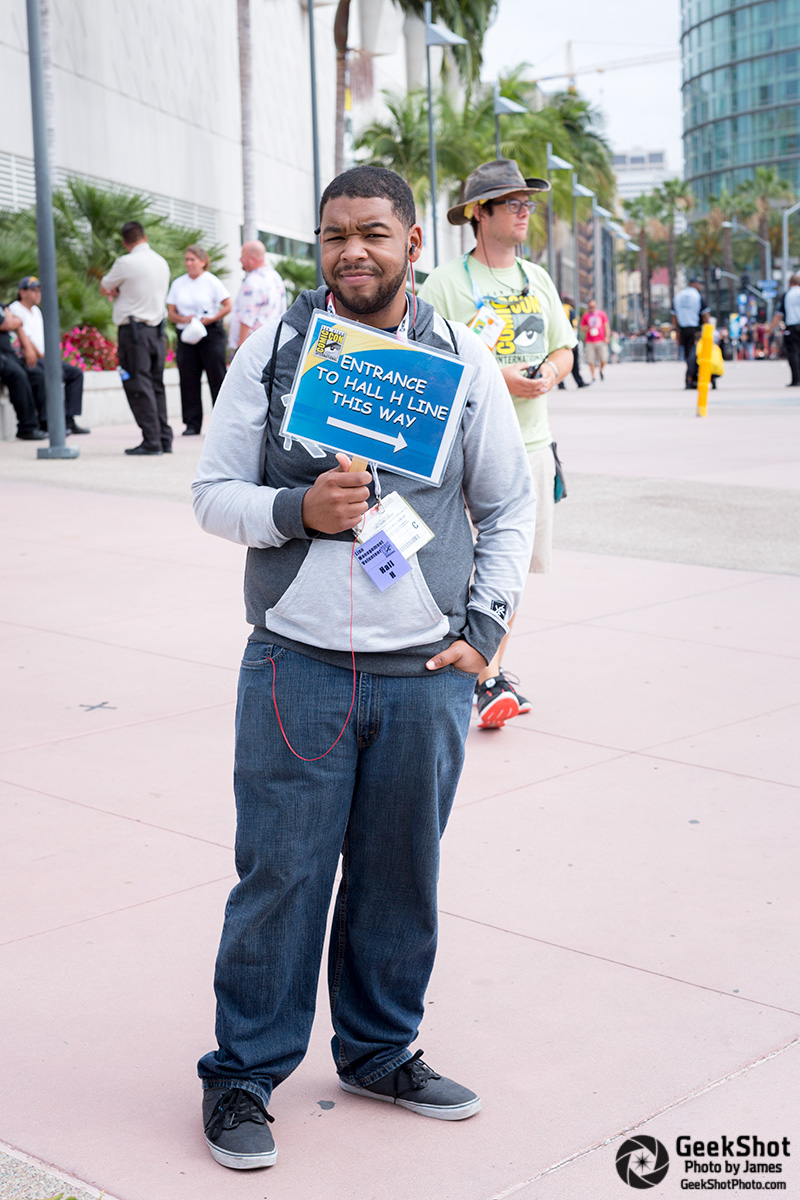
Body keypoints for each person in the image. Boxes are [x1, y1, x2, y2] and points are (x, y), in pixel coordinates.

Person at [192, 165, 534, 1170]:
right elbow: (212, 494)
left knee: (400, 876)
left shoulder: (462, 361)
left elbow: (508, 506)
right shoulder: (274, 351)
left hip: (425, 670)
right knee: (280, 877)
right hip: (296, 666)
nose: (353, 251)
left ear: (412, 242)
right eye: (335, 233)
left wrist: (486, 628)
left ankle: (379, 1051)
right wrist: (299, 511)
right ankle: (243, 1078)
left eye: (374, 233)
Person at [419, 158, 575, 729]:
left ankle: (489, 673)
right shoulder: (445, 283)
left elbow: (565, 348)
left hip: (531, 442)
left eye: (527, 202)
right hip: (460, 448)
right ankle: (472, 674)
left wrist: (550, 375)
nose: (524, 210)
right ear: (479, 214)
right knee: (453, 561)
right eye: (512, 202)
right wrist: (498, 380)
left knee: (509, 565)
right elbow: (425, 363)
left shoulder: (537, 279)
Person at [100, 221, 171, 455]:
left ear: (125, 242)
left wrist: (115, 291)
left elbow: (105, 286)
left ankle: (151, 441)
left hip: (134, 333)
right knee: (156, 384)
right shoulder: (161, 262)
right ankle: (163, 439)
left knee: (137, 384)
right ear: (144, 236)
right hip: (157, 332)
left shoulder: (125, 263)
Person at [9, 276, 89, 435]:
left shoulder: (37, 311)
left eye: (39, 290)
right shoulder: (15, 308)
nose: (37, 294)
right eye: (33, 290)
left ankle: (68, 419)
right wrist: (44, 358)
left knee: (75, 374)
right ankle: (47, 423)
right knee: (47, 375)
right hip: (31, 358)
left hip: (46, 358)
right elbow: (26, 337)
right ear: (22, 292)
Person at [166, 245, 231, 435]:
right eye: (186, 259)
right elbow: (171, 312)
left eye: (192, 259)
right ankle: (192, 424)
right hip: (187, 334)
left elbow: (227, 305)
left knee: (216, 377)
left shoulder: (212, 281)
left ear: (203, 262)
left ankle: (222, 423)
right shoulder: (178, 283)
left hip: (210, 333)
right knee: (188, 379)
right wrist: (184, 319)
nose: (189, 263)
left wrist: (211, 318)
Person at [228, 240, 287, 353]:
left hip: (251, 345)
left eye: (242, 256)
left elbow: (247, 318)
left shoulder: (252, 282)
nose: (240, 260)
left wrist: (240, 348)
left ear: (252, 259)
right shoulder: (275, 277)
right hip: (271, 341)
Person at [0, 304, 46, 440]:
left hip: (11, 355)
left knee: (37, 373)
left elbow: (15, 323)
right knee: (17, 375)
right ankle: (27, 427)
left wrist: (15, 322)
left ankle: (46, 424)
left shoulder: (2, 306)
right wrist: (16, 321)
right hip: (3, 356)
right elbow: (6, 324)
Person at [672, 277, 710, 388]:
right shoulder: (698, 296)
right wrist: (708, 331)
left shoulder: (678, 296)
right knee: (695, 355)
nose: (701, 287)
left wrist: (677, 331)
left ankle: (691, 378)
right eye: (700, 284)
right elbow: (705, 315)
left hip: (683, 330)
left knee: (688, 354)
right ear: (694, 284)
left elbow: (674, 316)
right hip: (695, 330)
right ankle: (690, 377)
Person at [769, 275, 800, 387]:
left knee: (793, 353)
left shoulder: (787, 295)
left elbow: (778, 315)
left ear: (790, 283)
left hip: (792, 327)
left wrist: (771, 329)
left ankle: (796, 379)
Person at [557, 296, 588, 389]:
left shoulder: (564, 309)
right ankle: (578, 382)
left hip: (565, 339)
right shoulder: (567, 310)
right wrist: (571, 341)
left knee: (566, 362)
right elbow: (568, 326)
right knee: (573, 362)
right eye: (572, 300)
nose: (573, 301)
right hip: (569, 340)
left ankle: (563, 383)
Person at [579, 298, 610, 380]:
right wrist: (587, 328)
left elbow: (606, 326)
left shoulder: (602, 314)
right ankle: (593, 376)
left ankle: (601, 370)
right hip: (590, 341)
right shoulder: (585, 316)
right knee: (590, 360)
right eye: (590, 306)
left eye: (593, 306)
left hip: (601, 340)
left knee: (604, 358)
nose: (592, 307)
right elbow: (581, 328)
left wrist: (607, 337)